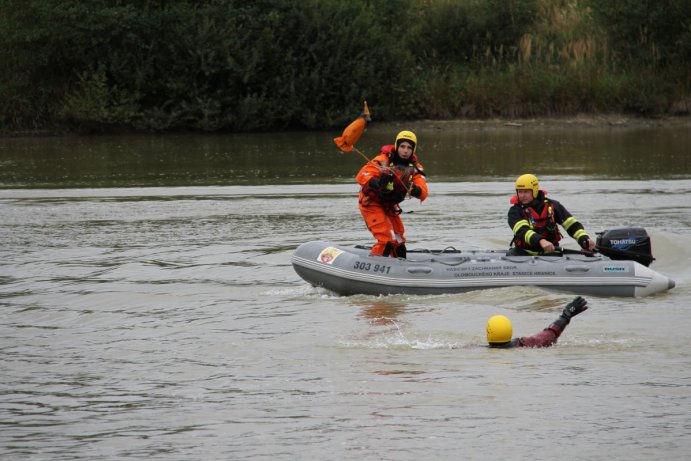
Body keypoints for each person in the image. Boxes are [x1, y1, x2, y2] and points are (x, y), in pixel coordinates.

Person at [355, 130, 428, 258]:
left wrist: (415, 190)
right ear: (396, 146)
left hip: (390, 205)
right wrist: (378, 182)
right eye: (402, 146)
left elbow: (423, 192)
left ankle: (398, 268)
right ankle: (375, 269)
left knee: (399, 240)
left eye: (409, 148)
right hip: (372, 203)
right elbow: (362, 176)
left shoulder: (415, 168)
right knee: (386, 240)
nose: (405, 151)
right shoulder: (383, 161)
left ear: (413, 150)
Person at [508, 173, 596, 255]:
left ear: (534, 191)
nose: (522, 195)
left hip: (551, 252)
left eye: (526, 192)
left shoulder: (552, 206)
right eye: (520, 192)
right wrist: (541, 241)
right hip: (524, 253)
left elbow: (571, 225)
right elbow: (522, 231)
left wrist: (584, 239)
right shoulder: (515, 211)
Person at [486, 296, 588, 348]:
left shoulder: (481, 350)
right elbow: (549, 334)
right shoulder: (524, 344)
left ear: (488, 332)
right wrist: (566, 316)